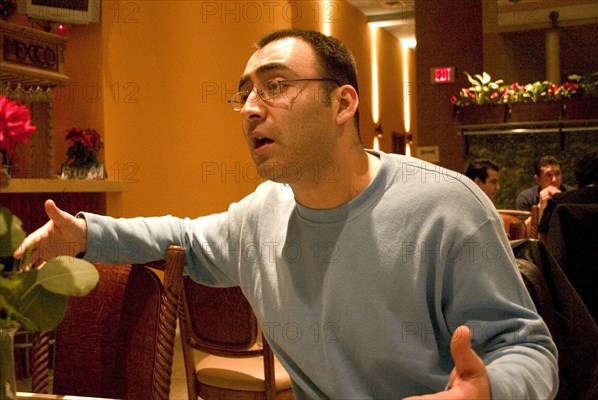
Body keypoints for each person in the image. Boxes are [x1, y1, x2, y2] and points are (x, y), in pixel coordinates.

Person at [15, 29, 558, 399]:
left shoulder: (446, 207)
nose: (251, 107)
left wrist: (491, 389)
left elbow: (528, 349)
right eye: (245, 94)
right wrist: (85, 233)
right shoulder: (263, 214)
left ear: (343, 104)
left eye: (275, 86)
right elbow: (181, 237)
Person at [538, 151, 598, 237]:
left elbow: (542, 238)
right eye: (548, 175)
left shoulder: (558, 200)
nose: (554, 180)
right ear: (537, 179)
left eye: (558, 174)